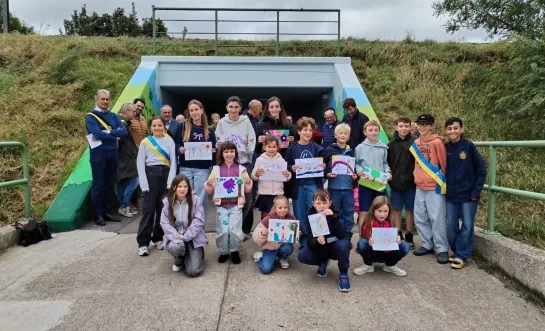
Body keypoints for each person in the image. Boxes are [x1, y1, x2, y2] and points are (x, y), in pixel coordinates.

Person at [444, 117, 486, 269]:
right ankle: (456, 250)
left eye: (455, 128)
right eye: (449, 129)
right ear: (445, 131)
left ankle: (462, 254)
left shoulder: (469, 147)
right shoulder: (445, 147)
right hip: (451, 194)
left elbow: (482, 170)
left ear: (461, 129)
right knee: (450, 226)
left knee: (467, 225)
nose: (452, 131)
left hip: (469, 195)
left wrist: (476, 191)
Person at [215, 96, 256, 240]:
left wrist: (246, 144)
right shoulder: (221, 122)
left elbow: (252, 140)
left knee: (247, 196)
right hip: (226, 165)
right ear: (227, 107)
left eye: (236, 107)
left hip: (243, 163)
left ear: (240, 108)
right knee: (229, 196)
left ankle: (244, 229)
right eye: (231, 107)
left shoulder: (246, 121)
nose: (233, 110)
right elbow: (217, 140)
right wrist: (219, 145)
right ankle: (229, 228)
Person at [204, 141, 252, 264]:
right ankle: (224, 251)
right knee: (223, 230)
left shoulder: (241, 169)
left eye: (231, 151)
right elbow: (210, 188)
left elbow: (247, 189)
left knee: (234, 230)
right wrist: (209, 184)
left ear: (235, 153)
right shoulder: (216, 169)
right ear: (222, 153)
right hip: (222, 206)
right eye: (226, 151)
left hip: (236, 205)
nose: (229, 154)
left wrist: (247, 182)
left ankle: (234, 250)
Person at [409, 114, 449, 264]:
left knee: (437, 218)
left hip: (434, 186)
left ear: (431, 126)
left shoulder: (437, 142)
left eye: (425, 124)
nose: (422, 126)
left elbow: (444, 164)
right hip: (419, 185)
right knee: (420, 217)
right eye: (420, 124)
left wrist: (442, 181)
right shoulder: (416, 142)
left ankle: (442, 248)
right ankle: (427, 243)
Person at [136, 117, 177, 257]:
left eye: (160, 125)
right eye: (154, 125)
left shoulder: (169, 141)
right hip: (150, 175)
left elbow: (173, 162)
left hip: (165, 174)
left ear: (164, 127)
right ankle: (143, 243)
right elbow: (140, 163)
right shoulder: (145, 142)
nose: (157, 127)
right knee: (148, 210)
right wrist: (144, 184)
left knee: (162, 209)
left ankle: (158, 238)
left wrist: (170, 182)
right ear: (151, 127)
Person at [85, 89, 126, 226]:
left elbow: (124, 131)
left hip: (113, 153)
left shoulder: (114, 116)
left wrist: (107, 132)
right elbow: (96, 134)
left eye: (107, 99)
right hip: (98, 154)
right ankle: (98, 215)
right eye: (102, 99)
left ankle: (107, 212)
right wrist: (114, 134)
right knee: (98, 184)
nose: (105, 102)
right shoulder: (90, 116)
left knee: (110, 183)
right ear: (96, 99)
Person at [298, 189, 352, 292]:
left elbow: (342, 235)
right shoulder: (311, 216)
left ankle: (343, 274)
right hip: (321, 247)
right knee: (302, 255)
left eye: (325, 203)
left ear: (330, 203)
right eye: (318, 203)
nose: (322, 206)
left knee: (344, 245)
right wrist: (317, 242)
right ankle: (322, 262)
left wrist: (333, 218)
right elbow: (310, 240)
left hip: (334, 246)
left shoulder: (336, 213)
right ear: (313, 203)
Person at [285, 117, 325, 247]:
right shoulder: (292, 148)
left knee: (316, 211)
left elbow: (324, 166)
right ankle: (303, 241)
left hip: (313, 184)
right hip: (298, 186)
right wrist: (292, 168)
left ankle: (318, 238)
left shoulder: (317, 148)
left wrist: (323, 167)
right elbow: (286, 165)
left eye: (310, 130)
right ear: (298, 131)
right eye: (305, 130)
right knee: (299, 213)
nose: (308, 132)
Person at [160, 175, 208, 277]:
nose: (182, 189)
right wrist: (177, 237)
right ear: (174, 187)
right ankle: (180, 258)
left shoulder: (195, 200)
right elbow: (165, 223)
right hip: (177, 237)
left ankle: (194, 256)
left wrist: (185, 237)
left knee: (193, 271)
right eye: (179, 186)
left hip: (192, 238)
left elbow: (199, 221)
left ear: (189, 188)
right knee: (174, 247)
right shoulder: (167, 202)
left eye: (185, 187)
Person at [176, 100, 216, 217]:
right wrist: (180, 149)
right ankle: (185, 227)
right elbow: (175, 144)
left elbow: (213, 151)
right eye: (191, 110)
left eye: (196, 109)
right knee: (184, 197)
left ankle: (199, 229)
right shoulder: (182, 126)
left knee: (200, 200)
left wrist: (213, 152)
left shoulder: (209, 131)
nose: (194, 112)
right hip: (185, 168)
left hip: (202, 169)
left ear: (202, 110)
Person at [353, 196, 409, 276]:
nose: (382, 214)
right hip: (373, 252)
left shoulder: (392, 222)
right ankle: (368, 265)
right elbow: (364, 238)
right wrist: (369, 241)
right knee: (361, 243)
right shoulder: (367, 223)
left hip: (388, 253)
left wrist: (397, 240)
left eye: (385, 211)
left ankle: (390, 265)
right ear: (373, 210)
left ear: (389, 211)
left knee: (405, 246)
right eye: (379, 211)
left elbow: (396, 238)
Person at [323, 123, 358, 246]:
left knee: (349, 213)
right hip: (334, 188)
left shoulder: (351, 151)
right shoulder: (328, 150)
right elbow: (322, 167)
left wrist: (355, 176)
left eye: (345, 133)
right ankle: (333, 237)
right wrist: (327, 173)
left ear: (348, 136)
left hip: (348, 188)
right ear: (335, 135)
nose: (343, 135)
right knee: (334, 213)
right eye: (340, 133)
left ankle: (347, 237)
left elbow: (354, 169)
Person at [387, 116, 416, 249]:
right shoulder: (391, 145)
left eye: (406, 126)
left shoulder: (416, 142)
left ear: (410, 127)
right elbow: (387, 164)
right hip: (396, 184)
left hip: (412, 184)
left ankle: (409, 235)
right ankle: (398, 234)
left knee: (410, 210)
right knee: (396, 210)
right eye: (401, 126)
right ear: (396, 127)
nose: (403, 128)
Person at [355, 120, 391, 226]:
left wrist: (388, 172)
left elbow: (385, 163)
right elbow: (357, 163)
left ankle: (380, 239)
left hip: (379, 185)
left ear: (379, 132)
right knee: (364, 212)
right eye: (370, 130)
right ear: (365, 132)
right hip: (365, 184)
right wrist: (359, 171)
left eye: (376, 130)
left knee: (381, 212)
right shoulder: (359, 148)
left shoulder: (383, 147)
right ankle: (362, 239)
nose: (373, 132)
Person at [252, 196, 296, 274]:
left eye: (285, 207)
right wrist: (262, 233)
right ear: (275, 208)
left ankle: (282, 258)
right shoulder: (268, 219)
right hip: (270, 249)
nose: (283, 210)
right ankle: (260, 257)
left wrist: (296, 234)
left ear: (288, 208)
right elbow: (255, 235)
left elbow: (293, 238)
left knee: (289, 248)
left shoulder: (291, 219)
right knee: (266, 269)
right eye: (280, 207)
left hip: (282, 247)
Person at [251, 135, 291, 218]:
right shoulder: (260, 160)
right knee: (265, 216)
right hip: (265, 193)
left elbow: (286, 177)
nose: (271, 149)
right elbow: (253, 176)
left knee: (278, 215)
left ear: (277, 148)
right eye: (269, 147)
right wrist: (257, 174)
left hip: (278, 193)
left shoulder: (281, 160)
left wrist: (288, 174)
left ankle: (275, 231)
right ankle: (264, 230)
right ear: (264, 147)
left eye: (274, 147)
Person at [117, 103, 139, 218]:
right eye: (133, 111)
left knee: (124, 181)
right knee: (135, 179)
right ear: (126, 110)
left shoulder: (120, 121)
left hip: (124, 156)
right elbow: (118, 139)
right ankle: (124, 205)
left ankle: (123, 205)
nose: (135, 113)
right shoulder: (123, 123)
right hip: (127, 156)